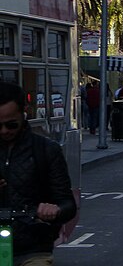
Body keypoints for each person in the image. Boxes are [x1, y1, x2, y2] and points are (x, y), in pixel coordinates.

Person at [0, 81, 78, 264]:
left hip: (33, 248)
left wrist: (55, 210)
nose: (4, 131)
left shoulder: (45, 150)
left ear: (24, 113)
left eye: (11, 124)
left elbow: (68, 204)